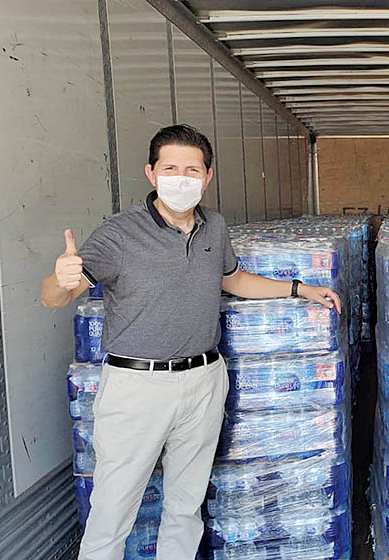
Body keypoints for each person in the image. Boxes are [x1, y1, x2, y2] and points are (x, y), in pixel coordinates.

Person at [40, 124, 341, 560]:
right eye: (170, 169)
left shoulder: (214, 226)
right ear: (151, 173)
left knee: (186, 507)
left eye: (192, 170)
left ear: (207, 176)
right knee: (112, 512)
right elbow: (56, 297)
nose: (181, 179)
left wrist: (299, 289)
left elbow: (233, 280)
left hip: (204, 380)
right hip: (138, 387)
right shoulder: (119, 233)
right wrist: (59, 278)